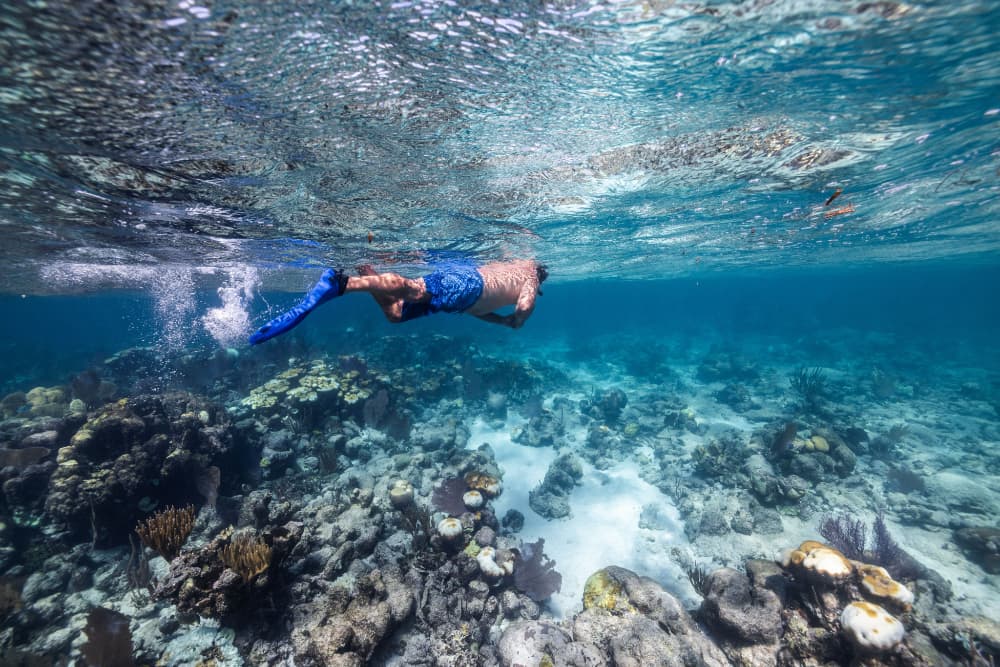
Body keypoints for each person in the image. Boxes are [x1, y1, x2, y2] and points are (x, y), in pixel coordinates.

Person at [249, 259, 548, 345]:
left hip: (467, 295)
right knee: (415, 290)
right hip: (471, 282)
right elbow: (524, 306)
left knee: (396, 314)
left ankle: (371, 280)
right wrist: (519, 320)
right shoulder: (530, 275)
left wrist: (501, 321)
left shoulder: (509, 276)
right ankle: (342, 284)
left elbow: (477, 311)